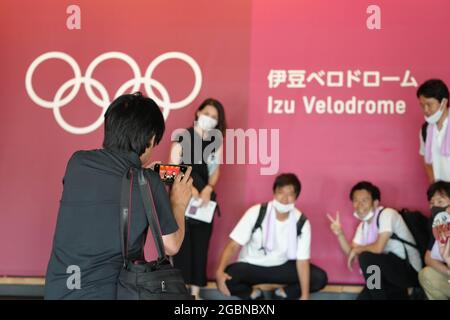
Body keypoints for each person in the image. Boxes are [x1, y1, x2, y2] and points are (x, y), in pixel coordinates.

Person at [44, 92, 193, 299]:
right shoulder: (148, 181)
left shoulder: (77, 163)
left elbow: (107, 188)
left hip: (60, 288)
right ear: (150, 139)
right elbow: (172, 245)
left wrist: (140, 174)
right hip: (110, 292)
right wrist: (178, 202)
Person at [215, 173, 328, 300]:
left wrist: (305, 295)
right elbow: (233, 244)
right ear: (274, 193)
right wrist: (219, 272)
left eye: (290, 194)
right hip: (252, 265)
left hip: (281, 266)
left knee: (319, 278)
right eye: (281, 192)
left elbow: (302, 261)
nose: (285, 199)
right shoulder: (256, 212)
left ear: (296, 197)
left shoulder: (301, 221)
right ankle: (254, 295)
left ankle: (283, 294)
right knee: (227, 278)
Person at [170, 98, 226, 299]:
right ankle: (182, 293)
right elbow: (173, 168)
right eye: (207, 114)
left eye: (214, 117)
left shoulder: (215, 143)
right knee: (182, 247)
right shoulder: (182, 137)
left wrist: (208, 189)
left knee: (201, 247)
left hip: (204, 202)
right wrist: (191, 189)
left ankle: (196, 293)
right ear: (198, 112)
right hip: (182, 198)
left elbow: (215, 170)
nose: (209, 119)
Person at [327, 181, 422, 300]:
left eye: (364, 200)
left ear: (375, 203)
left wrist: (357, 250)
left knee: (366, 257)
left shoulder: (387, 214)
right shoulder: (363, 227)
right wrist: (340, 234)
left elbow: (378, 248)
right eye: (356, 200)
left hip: (408, 270)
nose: (359, 205)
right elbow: (352, 253)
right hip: (386, 276)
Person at [418, 181, 450, 300]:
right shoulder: (439, 226)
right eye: (432, 203)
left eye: (440, 202)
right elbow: (428, 258)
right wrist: (447, 271)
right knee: (426, 274)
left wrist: (447, 258)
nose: (435, 207)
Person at [417, 79, 450, 182]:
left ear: (444, 102)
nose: (425, 110)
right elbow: (426, 160)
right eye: (422, 105)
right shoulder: (425, 130)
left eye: (429, 104)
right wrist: (434, 186)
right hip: (441, 194)